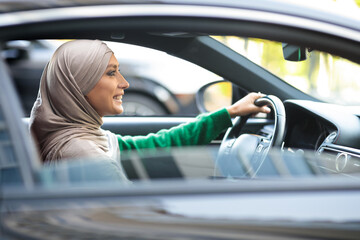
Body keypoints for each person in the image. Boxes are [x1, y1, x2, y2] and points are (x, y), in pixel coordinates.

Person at [29, 40, 270, 178]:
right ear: (80, 84)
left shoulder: (83, 138)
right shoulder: (84, 155)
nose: (125, 83)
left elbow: (156, 145)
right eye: (112, 73)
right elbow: (135, 222)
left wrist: (228, 114)